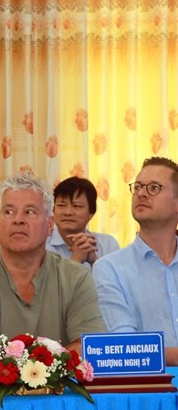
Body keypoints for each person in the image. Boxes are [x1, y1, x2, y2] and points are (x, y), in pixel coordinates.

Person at [0, 173, 105, 365]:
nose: (18, 220)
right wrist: (55, 356)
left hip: (62, 396)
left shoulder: (76, 278)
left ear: (50, 225)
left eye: (29, 212)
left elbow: (89, 352)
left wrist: (1, 347)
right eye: (8, 212)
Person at [93, 156, 178, 365]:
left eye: (154, 188)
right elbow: (126, 348)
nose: (141, 193)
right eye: (138, 186)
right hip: (149, 390)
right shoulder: (109, 268)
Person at [46, 176, 119, 268]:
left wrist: (94, 261)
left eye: (76, 206)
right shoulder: (41, 246)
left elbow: (118, 281)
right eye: (61, 205)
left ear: (92, 212)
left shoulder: (107, 245)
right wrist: (76, 259)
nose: (67, 212)